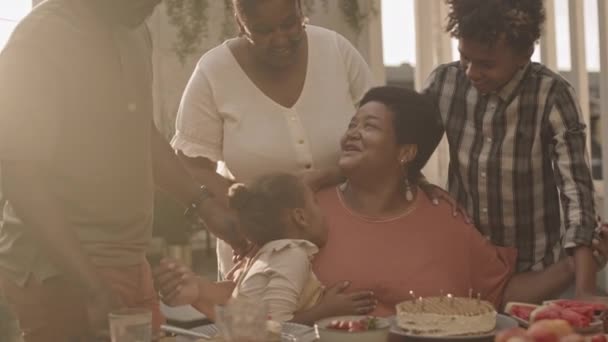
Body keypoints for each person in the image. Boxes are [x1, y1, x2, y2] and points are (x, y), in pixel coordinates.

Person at [0, 0, 243, 341]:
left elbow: (140, 132)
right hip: (61, 273)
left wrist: (205, 206)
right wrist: (92, 285)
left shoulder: (132, 28)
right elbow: (20, 176)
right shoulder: (39, 41)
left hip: (127, 259)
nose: (154, 6)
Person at [312, 86, 608, 317]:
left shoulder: (444, 220)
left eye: (369, 126)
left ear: (406, 153)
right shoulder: (310, 211)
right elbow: (268, 309)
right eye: (353, 124)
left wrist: (576, 266)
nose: (352, 133)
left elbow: (500, 294)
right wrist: (315, 315)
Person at [170, 0, 374, 278]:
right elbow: (191, 166)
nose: (280, 39)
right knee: (269, 320)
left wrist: (326, 177)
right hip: (258, 252)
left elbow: (383, 138)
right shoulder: (213, 71)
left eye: (290, 24)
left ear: (301, 11)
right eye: (263, 30)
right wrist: (252, 208)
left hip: (348, 238)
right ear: (241, 25)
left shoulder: (336, 51)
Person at [422, 0, 599, 298]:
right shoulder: (444, 82)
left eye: (486, 64)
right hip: (467, 265)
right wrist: (422, 186)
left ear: (524, 55)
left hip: (539, 268)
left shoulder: (552, 95)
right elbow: (404, 149)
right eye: (465, 58)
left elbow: (577, 195)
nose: (471, 72)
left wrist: (585, 291)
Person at [155, 173, 376, 324]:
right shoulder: (292, 256)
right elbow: (274, 328)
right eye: (315, 204)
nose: (323, 212)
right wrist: (327, 310)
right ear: (300, 217)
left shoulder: (265, 257)